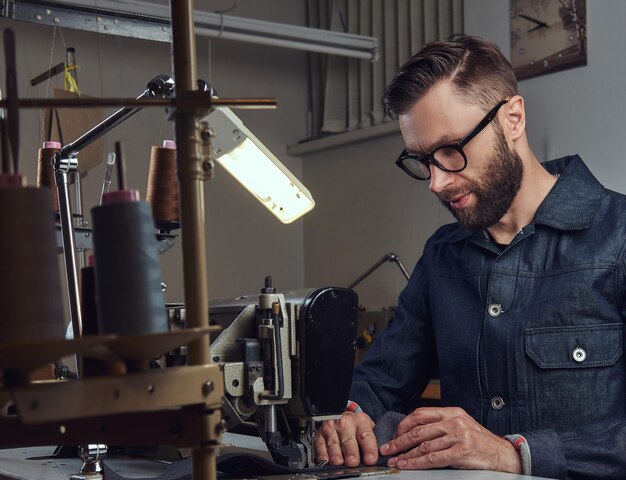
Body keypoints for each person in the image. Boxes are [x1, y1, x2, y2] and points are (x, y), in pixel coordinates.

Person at [313, 34, 626, 480]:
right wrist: (349, 415)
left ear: (512, 118)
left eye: (451, 151)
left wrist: (513, 453)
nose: (436, 183)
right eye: (423, 160)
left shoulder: (619, 237)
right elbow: (380, 381)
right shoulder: (442, 255)